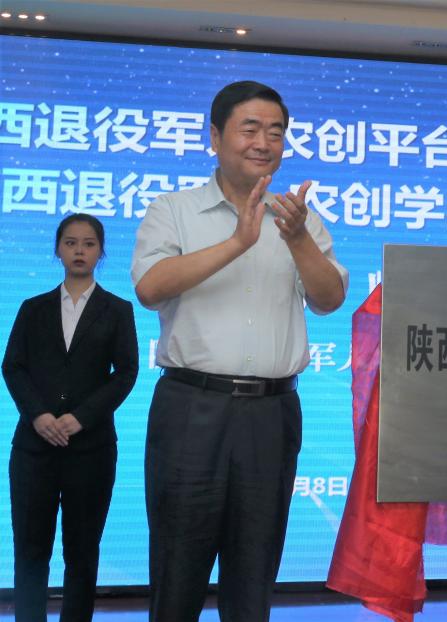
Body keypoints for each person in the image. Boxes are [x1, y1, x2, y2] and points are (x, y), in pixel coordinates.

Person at [131, 81, 349, 622]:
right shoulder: (173, 209)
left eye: (276, 132)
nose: (264, 142)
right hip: (192, 409)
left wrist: (296, 238)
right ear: (215, 136)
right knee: (177, 571)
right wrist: (237, 243)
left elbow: (329, 300)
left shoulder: (298, 219)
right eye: (250, 129)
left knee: (253, 575)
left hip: (271, 414)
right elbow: (151, 287)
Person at [4, 213, 139, 622]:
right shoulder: (33, 308)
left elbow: (126, 372)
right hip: (34, 449)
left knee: (81, 552)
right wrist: (38, 415)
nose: (79, 251)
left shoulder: (117, 310)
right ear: (58, 250)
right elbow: (13, 367)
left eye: (89, 244)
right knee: (31, 550)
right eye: (71, 243)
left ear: (100, 252)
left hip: (91, 449)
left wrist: (82, 417)